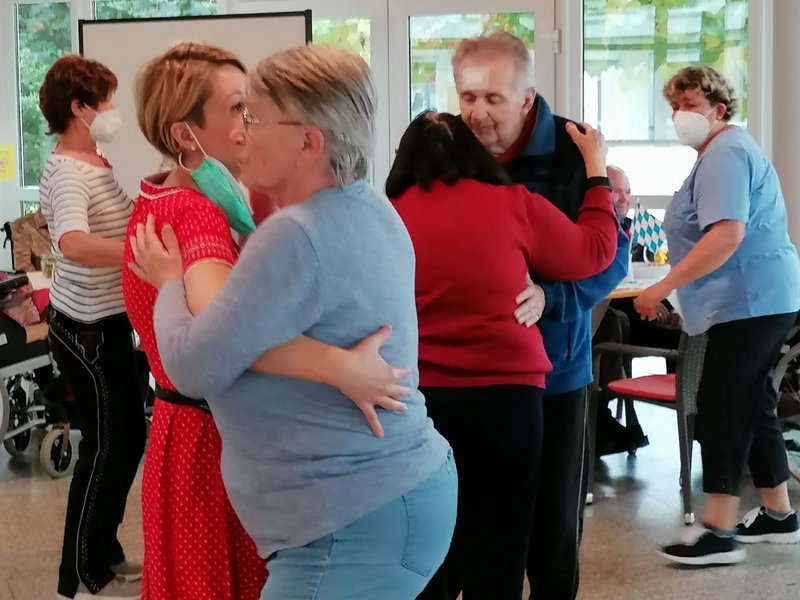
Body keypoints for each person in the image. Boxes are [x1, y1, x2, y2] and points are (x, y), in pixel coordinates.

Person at [128, 45, 457, 600]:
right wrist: (331, 364)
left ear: (309, 143)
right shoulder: (367, 205)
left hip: (349, 522)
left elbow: (192, 363)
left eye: (253, 118)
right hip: (387, 498)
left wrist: (168, 284)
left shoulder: (293, 235)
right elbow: (251, 330)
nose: (242, 135)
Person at [388, 111, 618, 600]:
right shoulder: (512, 204)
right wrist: (597, 175)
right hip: (507, 401)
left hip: (419, 401)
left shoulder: (388, 217)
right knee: (500, 540)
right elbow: (597, 249)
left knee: (428, 543)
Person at [449, 31, 629, 599]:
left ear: (527, 98)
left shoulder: (576, 154)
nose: (477, 113)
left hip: (554, 374)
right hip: (472, 377)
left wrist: (554, 299)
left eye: (493, 99)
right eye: (468, 97)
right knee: (475, 529)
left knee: (552, 532)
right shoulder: (450, 149)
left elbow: (612, 256)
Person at [635, 65, 800, 565]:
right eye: (673, 106)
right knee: (753, 401)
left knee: (721, 405)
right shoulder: (719, 153)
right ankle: (779, 514)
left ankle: (719, 530)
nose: (678, 115)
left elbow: (726, 234)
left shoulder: (725, 152)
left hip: (750, 301)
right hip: (757, 300)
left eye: (688, 104)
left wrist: (664, 285)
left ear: (718, 108)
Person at [38, 55, 145, 600]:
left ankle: (102, 547)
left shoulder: (94, 161)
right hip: (86, 331)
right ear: (79, 108)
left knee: (128, 438)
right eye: (106, 100)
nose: (113, 110)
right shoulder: (69, 172)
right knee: (106, 446)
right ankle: (81, 567)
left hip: (106, 323)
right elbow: (72, 243)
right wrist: (139, 254)